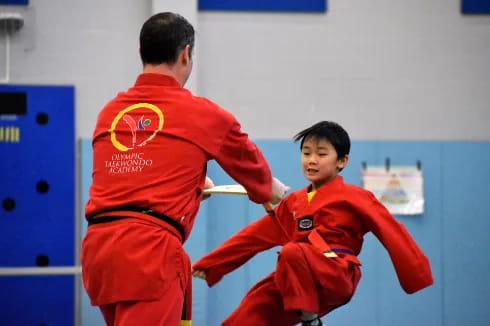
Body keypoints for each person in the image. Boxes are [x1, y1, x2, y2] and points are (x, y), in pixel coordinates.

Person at [80, 12, 287, 326]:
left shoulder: (109, 113)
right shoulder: (205, 115)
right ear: (185, 54)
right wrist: (284, 193)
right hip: (149, 255)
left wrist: (189, 186)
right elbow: (262, 187)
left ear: (141, 53)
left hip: (99, 255)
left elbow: (128, 175)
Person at [192, 121, 434, 326]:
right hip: (297, 275)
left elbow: (391, 231)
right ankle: (303, 313)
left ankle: (310, 320)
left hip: (336, 274)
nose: (312, 160)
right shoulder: (294, 202)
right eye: (306, 153)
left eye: (321, 153)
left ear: (342, 161)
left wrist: (416, 271)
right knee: (252, 307)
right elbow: (254, 237)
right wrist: (213, 263)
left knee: (293, 251)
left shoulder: (356, 197)